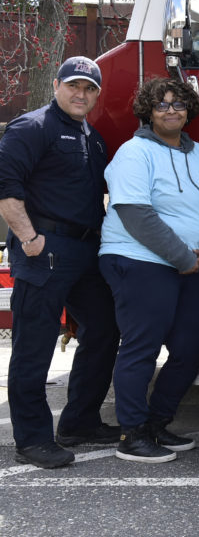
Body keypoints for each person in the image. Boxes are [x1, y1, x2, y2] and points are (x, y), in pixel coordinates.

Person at [0, 57, 120, 469]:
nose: (80, 94)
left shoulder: (94, 136)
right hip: (44, 249)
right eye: (74, 86)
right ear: (57, 85)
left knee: (105, 326)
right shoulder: (32, 128)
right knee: (34, 344)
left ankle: (80, 421)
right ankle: (32, 439)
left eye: (89, 89)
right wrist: (29, 240)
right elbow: (7, 190)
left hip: (87, 250)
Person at [99, 77, 199, 463]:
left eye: (178, 103)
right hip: (139, 260)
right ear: (147, 112)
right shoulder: (134, 153)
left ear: (189, 109)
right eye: (161, 104)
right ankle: (132, 433)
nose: (171, 110)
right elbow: (135, 213)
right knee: (142, 345)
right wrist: (184, 257)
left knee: (194, 341)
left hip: (191, 265)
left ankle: (156, 422)